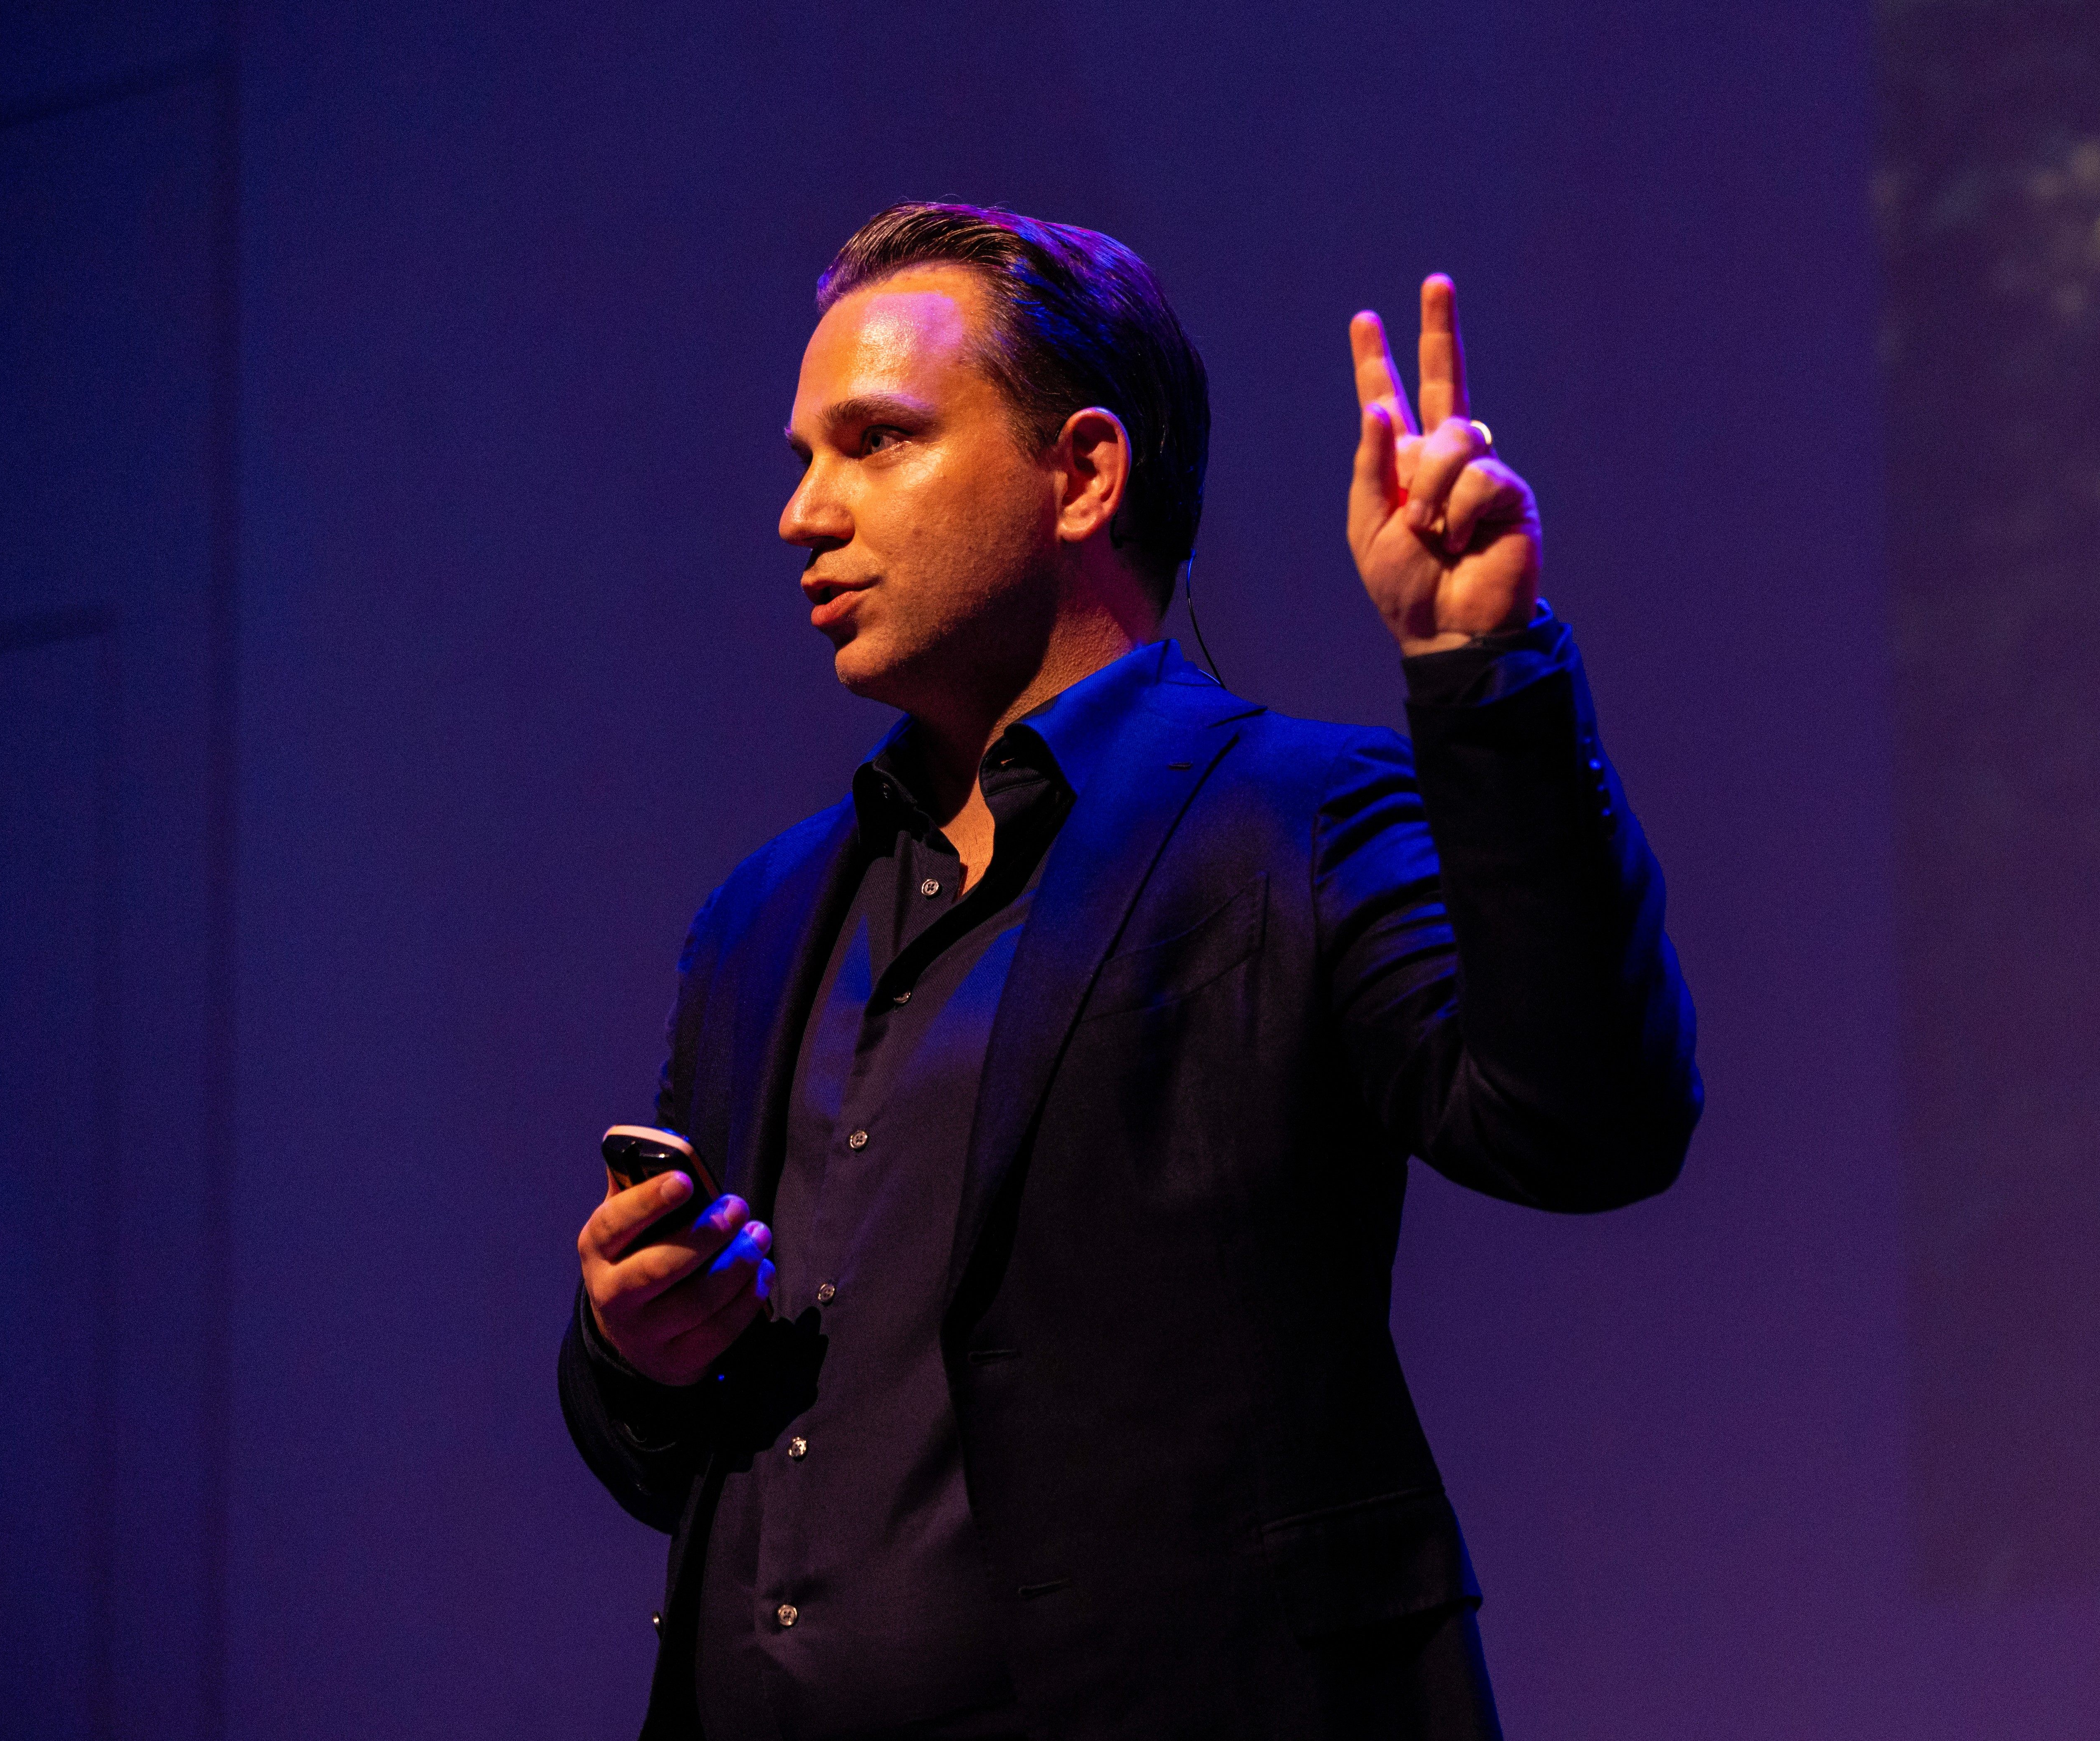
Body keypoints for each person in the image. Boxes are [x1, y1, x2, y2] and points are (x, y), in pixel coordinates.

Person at [559, 202, 1701, 1741]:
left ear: (1084, 473)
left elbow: (1590, 1121)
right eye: (800, 459)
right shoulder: (759, 919)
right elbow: (675, 1454)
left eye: (876, 442)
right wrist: (636, 1346)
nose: (804, 512)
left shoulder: (1289, 820)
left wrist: (1483, 678)